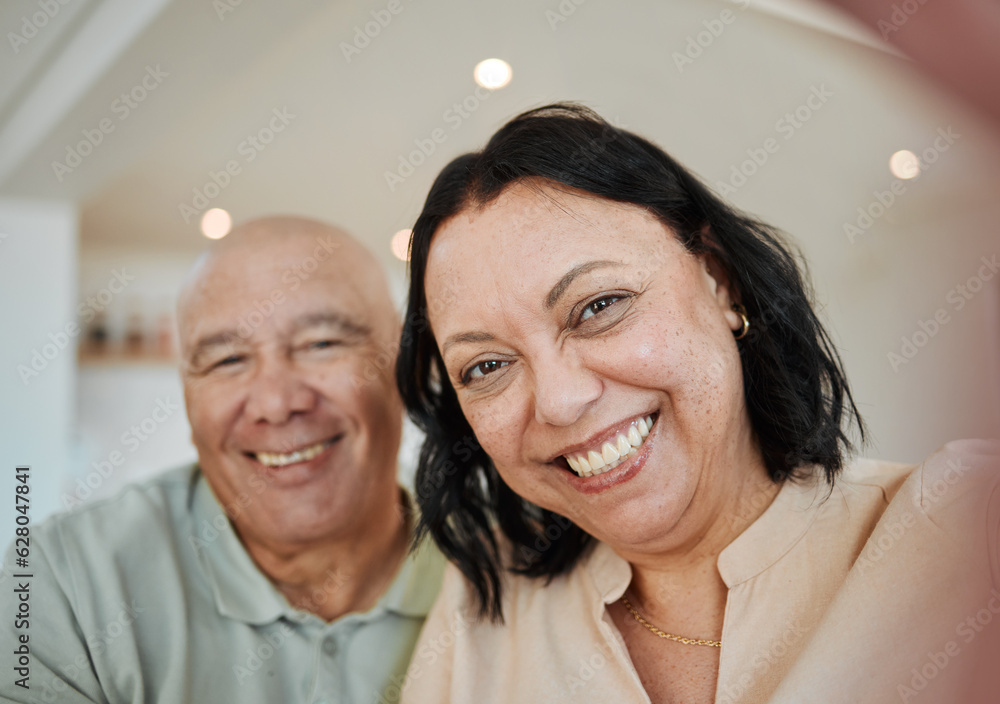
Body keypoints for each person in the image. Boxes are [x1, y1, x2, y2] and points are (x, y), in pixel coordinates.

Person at [393, 104, 1000, 704]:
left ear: (718, 281)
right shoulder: (483, 611)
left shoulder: (964, 530)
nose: (559, 402)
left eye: (599, 306)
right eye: (488, 366)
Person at [0, 216, 443, 703]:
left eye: (322, 344)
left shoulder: (512, 565)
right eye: (227, 360)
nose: (276, 404)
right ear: (188, 392)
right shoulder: (65, 583)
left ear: (407, 360)